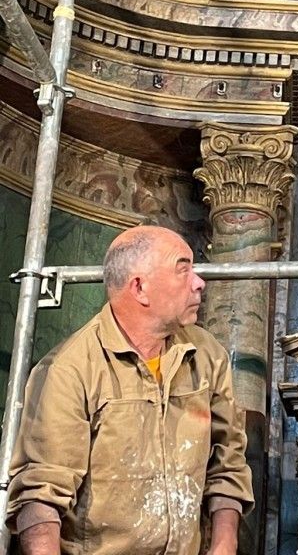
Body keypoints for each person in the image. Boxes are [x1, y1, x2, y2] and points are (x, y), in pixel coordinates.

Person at [6, 225, 253, 555]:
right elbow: (40, 495)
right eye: (183, 269)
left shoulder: (208, 356)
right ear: (140, 287)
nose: (198, 282)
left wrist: (224, 547)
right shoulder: (70, 369)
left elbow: (228, 464)